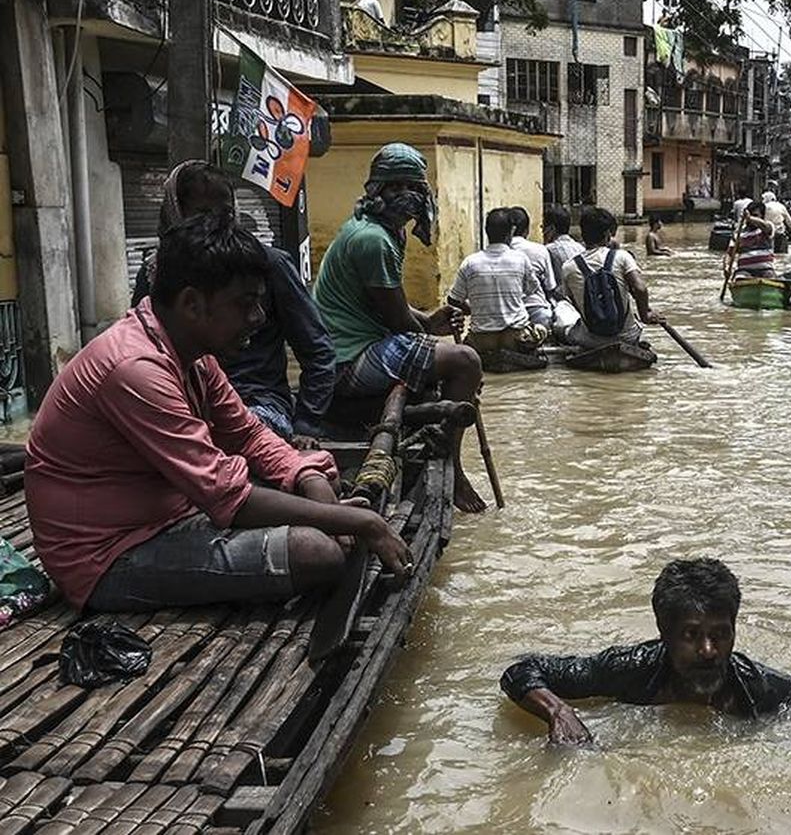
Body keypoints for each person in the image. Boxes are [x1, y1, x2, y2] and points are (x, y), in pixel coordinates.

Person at [25, 213, 413, 612]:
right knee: (317, 552)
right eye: (245, 305)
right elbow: (229, 497)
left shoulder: (192, 354)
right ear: (192, 304)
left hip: (169, 517)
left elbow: (247, 434)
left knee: (311, 497)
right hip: (107, 558)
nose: (258, 319)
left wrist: (307, 475)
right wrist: (356, 521)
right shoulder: (134, 369)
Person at [311, 142, 487, 513]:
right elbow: (396, 319)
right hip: (347, 362)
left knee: (451, 358)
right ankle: (453, 467)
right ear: (376, 189)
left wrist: (427, 320)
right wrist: (426, 328)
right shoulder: (372, 239)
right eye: (395, 187)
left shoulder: (384, 232)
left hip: (355, 349)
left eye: (413, 187)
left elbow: (391, 304)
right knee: (467, 361)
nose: (406, 196)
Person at [129, 161, 336, 448]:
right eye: (201, 214)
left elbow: (317, 349)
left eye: (225, 213)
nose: (216, 222)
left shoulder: (266, 265)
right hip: (180, 402)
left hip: (256, 402)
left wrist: (306, 426)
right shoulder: (157, 273)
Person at [501, 558, 791, 745]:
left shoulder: (756, 687)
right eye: (691, 635)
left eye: (720, 634)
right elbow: (522, 671)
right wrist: (560, 713)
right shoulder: (627, 668)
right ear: (663, 633)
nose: (709, 651)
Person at [449, 208, 550, 366]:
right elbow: (532, 290)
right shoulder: (521, 259)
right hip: (516, 339)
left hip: (481, 340)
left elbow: (453, 299)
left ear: (487, 232)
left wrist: (471, 308)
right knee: (543, 329)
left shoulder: (469, 263)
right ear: (511, 231)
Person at [558, 206, 660, 348]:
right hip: (627, 337)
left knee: (561, 325)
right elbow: (640, 288)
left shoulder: (568, 267)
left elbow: (573, 302)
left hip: (590, 340)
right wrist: (645, 316)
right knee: (634, 323)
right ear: (607, 234)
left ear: (582, 234)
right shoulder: (622, 256)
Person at [542, 204, 585, 295]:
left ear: (551, 229)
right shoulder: (580, 248)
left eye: (543, 227)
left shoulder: (548, 250)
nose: (542, 232)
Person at [730, 202, 776, 279]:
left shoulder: (768, 227)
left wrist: (750, 218)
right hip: (744, 270)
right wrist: (727, 267)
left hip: (766, 270)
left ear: (762, 216)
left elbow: (765, 226)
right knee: (740, 278)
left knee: (770, 277)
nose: (751, 219)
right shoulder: (739, 233)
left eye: (755, 215)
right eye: (750, 215)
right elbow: (729, 253)